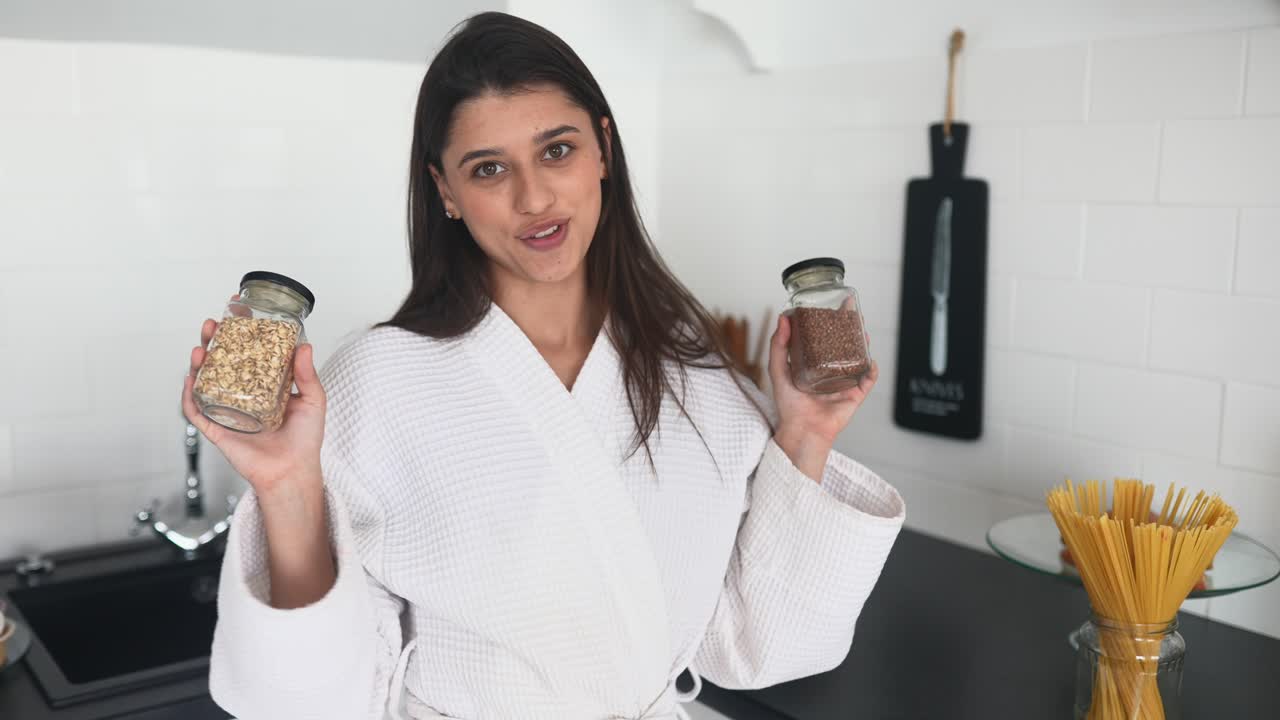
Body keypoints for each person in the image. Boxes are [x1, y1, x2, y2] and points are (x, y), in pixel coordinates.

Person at [182, 11, 904, 720]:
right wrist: (283, 486)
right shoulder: (379, 382)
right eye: (489, 169)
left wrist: (805, 435)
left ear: (603, 150)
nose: (533, 199)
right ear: (446, 193)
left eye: (557, 150)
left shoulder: (696, 374)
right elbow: (310, 703)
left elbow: (759, 649)